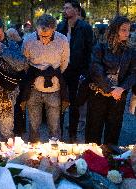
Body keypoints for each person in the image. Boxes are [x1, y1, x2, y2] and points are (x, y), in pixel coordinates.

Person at [85, 16, 136, 145]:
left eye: (128, 30)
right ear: (115, 30)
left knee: (113, 131)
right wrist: (110, 89)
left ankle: (111, 161)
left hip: (118, 96)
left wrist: (121, 88)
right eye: (123, 30)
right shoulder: (101, 46)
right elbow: (95, 69)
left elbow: (133, 73)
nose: (127, 33)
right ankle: (90, 161)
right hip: (99, 93)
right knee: (93, 131)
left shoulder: (130, 50)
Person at [23, 14, 69, 142]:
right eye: (41, 36)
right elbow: (25, 64)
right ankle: (33, 152)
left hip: (54, 88)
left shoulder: (62, 40)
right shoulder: (28, 40)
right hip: (34, 88)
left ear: (54, 30)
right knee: (33, 125)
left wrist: (51, 74)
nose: (44, 40)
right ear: (36, 29)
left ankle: (54, 154)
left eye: (47, 36)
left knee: (54, 126)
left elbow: (64, 63)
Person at [57, 0, 93, 142]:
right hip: (61, 70)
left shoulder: (85, 28)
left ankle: (72, 134)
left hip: (77, 71)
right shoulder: (60, 26)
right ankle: (57, 134)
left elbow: (89, 51)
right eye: (64, 8)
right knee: (59, 102)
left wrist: (86, 72)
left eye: (67, 8)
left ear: (76, 10)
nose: (64, 10)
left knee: (75, 104)